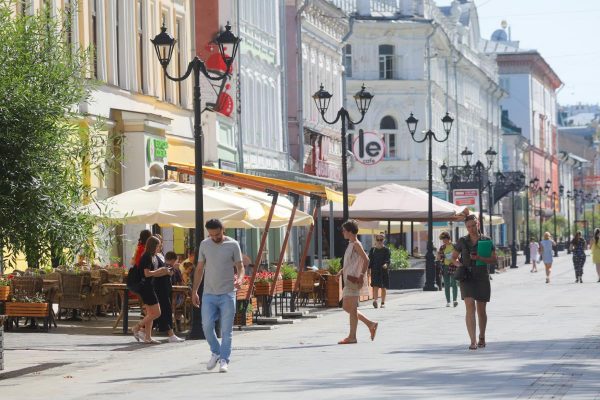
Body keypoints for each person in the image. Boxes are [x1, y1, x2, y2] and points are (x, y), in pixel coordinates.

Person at [191, 219, 244, 373]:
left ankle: (224, 360)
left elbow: (240, 267)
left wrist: (240, 279)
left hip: (228, 293)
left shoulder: (233, 244)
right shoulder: (204, 244)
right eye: (212, 235)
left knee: (227, 331)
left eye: (218, 234)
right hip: (208, 293)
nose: (215, 237)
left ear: (223, 229)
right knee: (206, 326)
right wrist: (194, 290)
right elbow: (199, 269)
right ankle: (216, 351)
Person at [451, 214, 497, 350]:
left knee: (481, 310)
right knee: (469, 307)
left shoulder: (487, 240)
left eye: (473, 225)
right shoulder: (462, 241)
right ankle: (473, 341)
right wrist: (460, 266)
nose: (471, 229)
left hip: (482, 275)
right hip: (467, 277)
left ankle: (482, 336)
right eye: (468, 226)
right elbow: (453, 257)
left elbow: (494, 259)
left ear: (478, 224)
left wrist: (480, 258)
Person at [337, 220, 378, 345]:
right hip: (349, 278)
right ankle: (370, 324)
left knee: (352, 308)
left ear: (350, 231)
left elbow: (366, 259)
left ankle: (352, 336)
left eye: (344, 230)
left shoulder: (356, 244)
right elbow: (352, 262)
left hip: (354, 279)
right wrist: (342, 270)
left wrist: (361, 275)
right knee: (346, 306)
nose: (342, 232)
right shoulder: (351, 244)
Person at [132, 236, 174, 344]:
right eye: (158, 245)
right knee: (157, 313)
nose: (159, 247)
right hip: (146, 287)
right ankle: (136, 327)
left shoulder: (153, 256)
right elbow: (147, 273)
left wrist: (164, 271)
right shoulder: (147, 256)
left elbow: (153, 273)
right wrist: (160, 270)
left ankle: (148, 337)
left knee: (150, 313)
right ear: (153, 246)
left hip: (150, 286)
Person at [152, 251, 184, 342]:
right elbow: (160, 273)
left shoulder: (160, 260)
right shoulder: (165, 265)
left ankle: (140, 329)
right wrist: (169, 271)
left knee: (158, 313)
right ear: (174, 260)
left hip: (162, 291)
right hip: (162, 291)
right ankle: (171, 335)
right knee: (165, 312)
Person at [368, 234, 391, 309]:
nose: (379, 241)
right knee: (375, 286)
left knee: (383, 287)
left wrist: (386, 264)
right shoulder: (373, 250)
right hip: (375, 270)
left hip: (383, 270)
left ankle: (383, 302)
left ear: (383, 240)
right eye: (378, 240)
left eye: (381, 240)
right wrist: (368, 269)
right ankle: (375, 301)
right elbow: (370, 261)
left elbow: (388, 260)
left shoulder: (386, 250)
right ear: (375, 240)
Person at [437, 231, 458, 307]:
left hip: (453, 266)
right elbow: (439, 259)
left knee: (454, 283)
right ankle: (448, 301)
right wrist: (438, 254)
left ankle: (455, 300)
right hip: (445, 266)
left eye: (445, 239)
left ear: (448, 238)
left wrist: (455, 258)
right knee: (446, 284)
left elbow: (459, 255)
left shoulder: (454, 246)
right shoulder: (442, 247)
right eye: (443, 240)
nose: (444, 241)